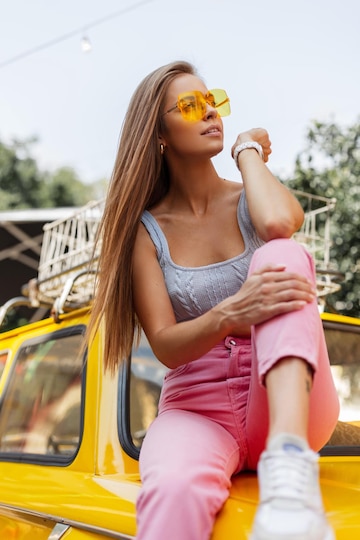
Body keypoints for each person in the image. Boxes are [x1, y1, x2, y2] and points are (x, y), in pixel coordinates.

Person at [88, 60, 340, 540]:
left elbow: (279, 227)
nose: (210, 113)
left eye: (213, 101)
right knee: (172, 489)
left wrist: (246, 152)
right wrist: (229, 314)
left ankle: (290, 474)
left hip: (286, 400)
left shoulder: (250, 198)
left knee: (284, 255)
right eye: (190, 105)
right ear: (158, 132)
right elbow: (163, 342)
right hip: (196, 408)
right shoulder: (146, 231)